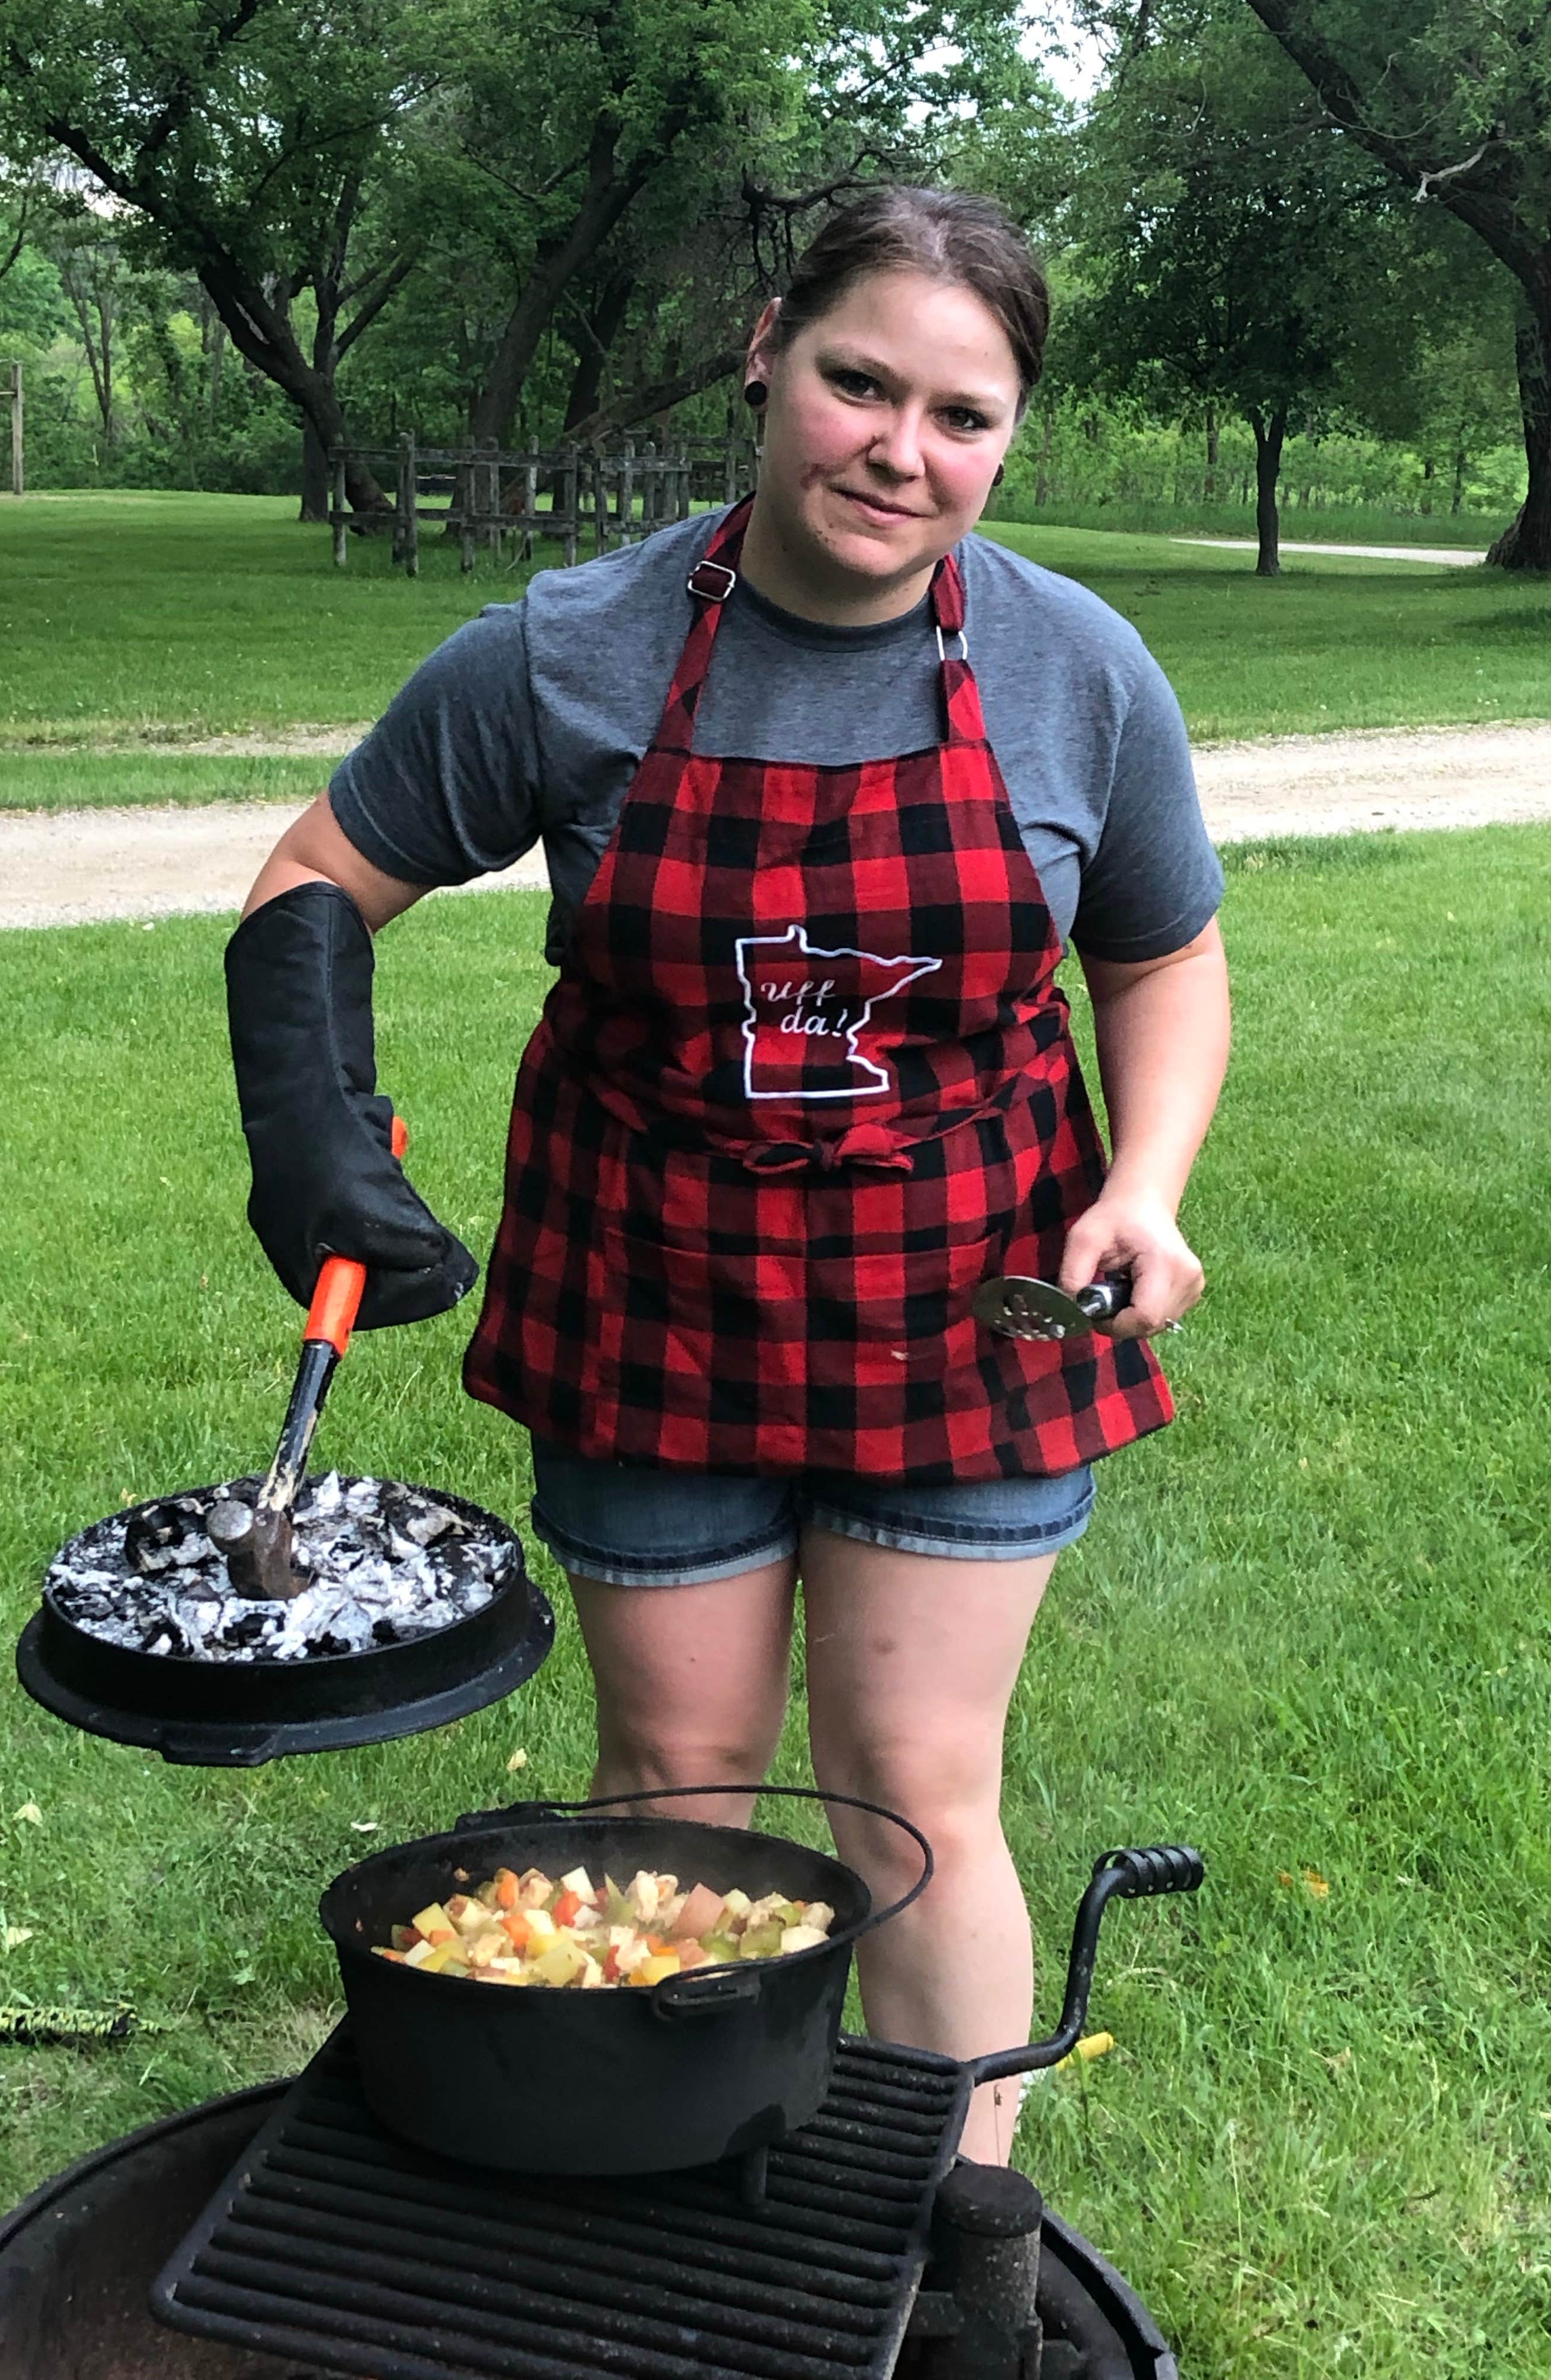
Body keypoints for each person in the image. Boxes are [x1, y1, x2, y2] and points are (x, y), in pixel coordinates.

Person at [226, 185, 1230, 2163]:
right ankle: (666, 2191)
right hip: (650, 1287)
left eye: (962, 416)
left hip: (971, 1302)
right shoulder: (565, 651)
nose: (900, 449)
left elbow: (1162, 954)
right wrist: (315, 1135)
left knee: (917, 1791)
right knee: (680, 1781)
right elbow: (313, 888)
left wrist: (1151, 1184)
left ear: (1009, 436)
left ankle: (957, 2231)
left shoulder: (1078, 670)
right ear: (768, 354)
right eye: (860, 383)